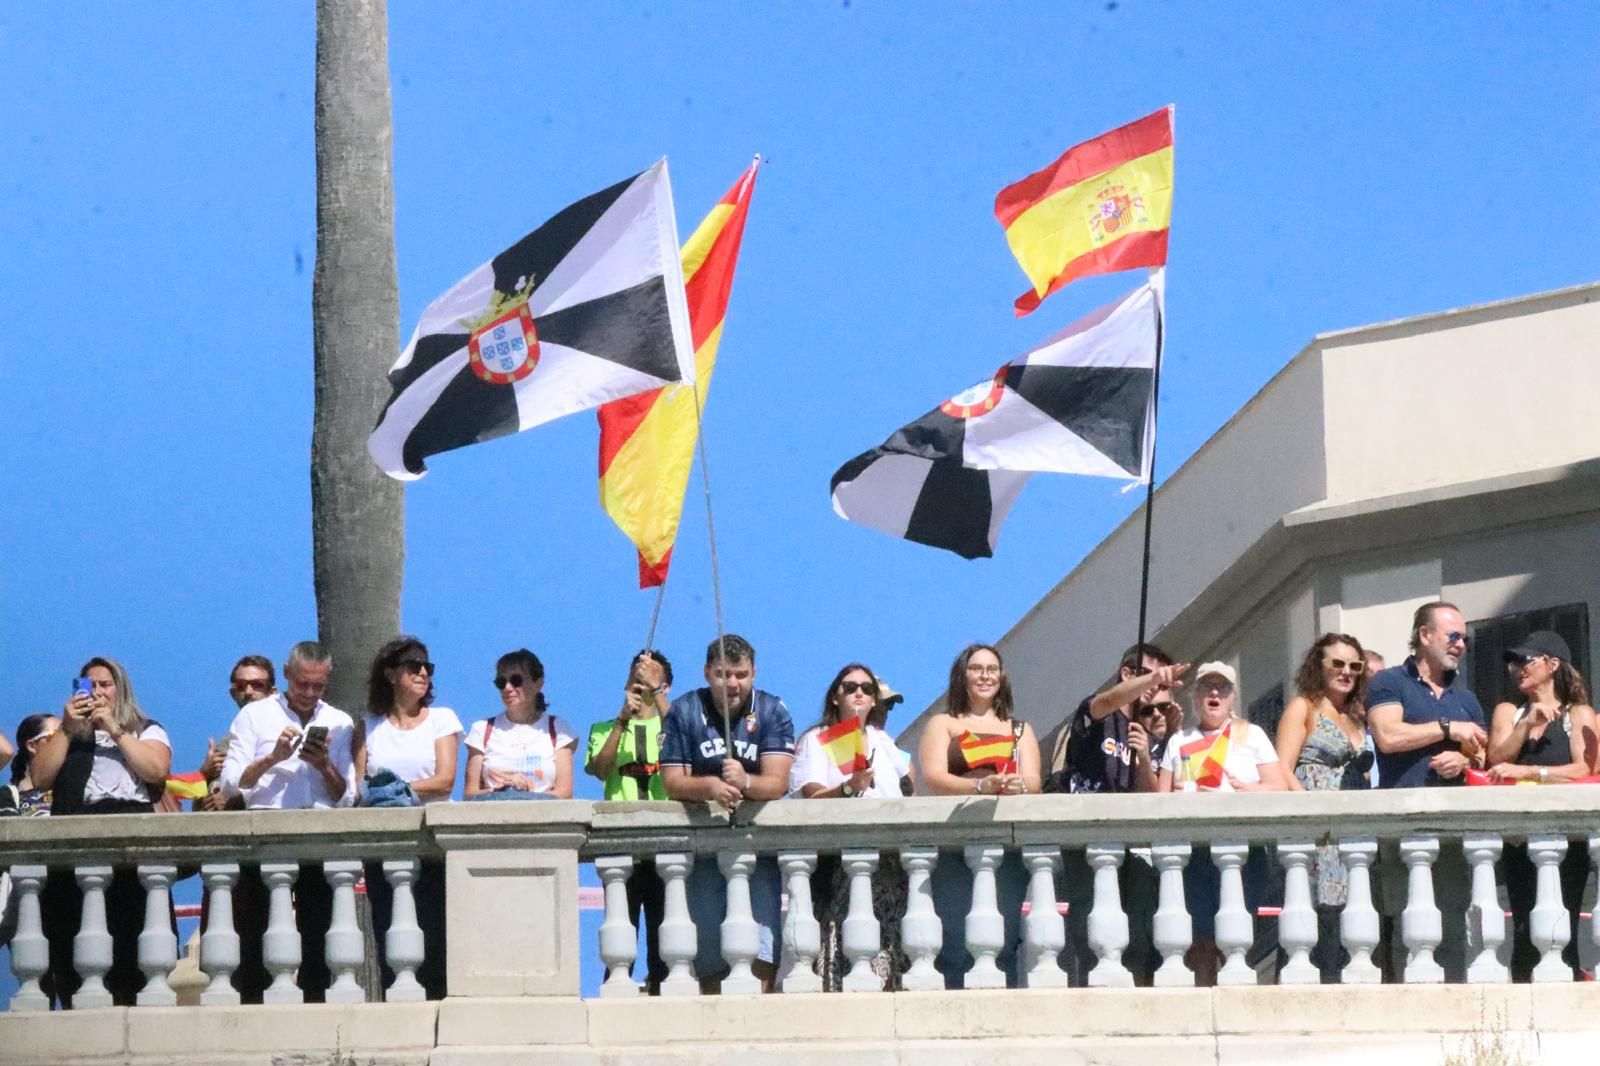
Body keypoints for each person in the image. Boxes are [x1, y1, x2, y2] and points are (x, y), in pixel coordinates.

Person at [219, 641, 357, 1002]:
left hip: (318, 834)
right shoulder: (254, 716)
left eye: (318, 685)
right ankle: (255, 1007)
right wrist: (273, 758)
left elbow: (346, 795)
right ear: (286, 675)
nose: (309, 693)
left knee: (319, 933)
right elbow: (231, 783)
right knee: (257, 931)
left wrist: (323, 765)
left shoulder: (339, 721)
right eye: (302, 684)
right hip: (266, 833)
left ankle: (317, 1006)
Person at [31, 657, 173, 1007]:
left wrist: (114, 728)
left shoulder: (146, 729)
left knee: (133, 941)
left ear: (120, 689)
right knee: (75, 945)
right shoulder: (67, 737)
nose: (96, 692)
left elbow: (156, 769)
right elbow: (40, 778)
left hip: (133, 848)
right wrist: (67, 729)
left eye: (105, 685)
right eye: (88, 685)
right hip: (79, 845)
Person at [659, 634, 794, 992]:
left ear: (754, 673)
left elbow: (778, 783)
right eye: (723, 674)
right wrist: (710, 787)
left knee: (761, 943)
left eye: (741, 674)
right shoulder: (684, 710)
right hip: (703, 848)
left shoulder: (772, 710)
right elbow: (672, 782)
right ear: (707, 673)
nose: (733, 684)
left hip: (756, 846)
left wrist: (746, 781)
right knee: (710, 951)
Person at [1365, 602, 1488, 982]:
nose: (1460, 645)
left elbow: (1483, 754)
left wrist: (1464, 760)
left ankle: (1454, 1004)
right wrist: (1447, 728)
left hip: (1454, 826)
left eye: (1464, 639)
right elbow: (1387, 736)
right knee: (1408, 928)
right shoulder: (1388, 682)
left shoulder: (1466, 698)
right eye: (1453, 636)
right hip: (1403, 824)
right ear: (1424, 635)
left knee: (1454, 926)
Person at [916, 644, 1040, 988]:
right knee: (955, 939)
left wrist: (1017, 785)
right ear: (962, 675)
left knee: (1003, 938)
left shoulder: (1020, 729)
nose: (985, 675)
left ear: (1002, 677)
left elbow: (1033, 781)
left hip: (1006, 845)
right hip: (955, 841)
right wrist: (981, 786)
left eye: (992, 669)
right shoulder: (942, 723)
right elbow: (934, 777)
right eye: (976, 668)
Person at [1157, 662, 1285, 984]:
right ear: (1194, 696)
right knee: (1200, 941)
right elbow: (1160, 799)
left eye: (1222, 688)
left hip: (1243, 850)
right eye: (1207, 687)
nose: (1214, 693)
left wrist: (1244, 790)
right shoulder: (1178, 741)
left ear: (1232, 698)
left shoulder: (1251, 734)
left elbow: (1277, 786)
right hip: (1194, 852)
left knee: (1236, 938)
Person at [1485, 631, 1598, 981]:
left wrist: (1531, 771)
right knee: (1522, 925)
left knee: (1565, 921)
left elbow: (1584, 769)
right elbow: (1495, 759)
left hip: (1568, 838)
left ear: (1552, 665)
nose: (1516, 667)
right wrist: (1525, 726)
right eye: (1513, 662)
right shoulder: (1509, 711)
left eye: (1525, 660)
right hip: (1519, 836)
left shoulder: (1578, 713)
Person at [792, 663, 912, 991]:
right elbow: (812, 795)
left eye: (867, 688)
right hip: (838, 864)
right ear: (835, 696)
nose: (859, 693)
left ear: (874, 700)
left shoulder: (882, 740)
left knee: (890, 952)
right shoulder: (817, 738)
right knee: (843, 952)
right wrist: (848, 788)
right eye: (850, 687)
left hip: (889, 863)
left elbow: (907, 785)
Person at [355, 636, 461, 999]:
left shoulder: (442, 720)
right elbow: (359, 787)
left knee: (435, 932)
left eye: (427, 667)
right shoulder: (369, 725)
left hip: (432, 843)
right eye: (413, 666)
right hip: (383, 844)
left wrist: (395, 790)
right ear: (390, 674)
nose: (423, 673)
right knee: (388, 930)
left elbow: (445, 780)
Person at [1274, 633, 1374, 980]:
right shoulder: (1304, 706)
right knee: (1317, 915)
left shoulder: (1358, 717)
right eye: (1338, 663)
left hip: (1353, 828)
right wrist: (1310, 815)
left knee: (1353, 915)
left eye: (1354, 666)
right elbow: (1283, 768)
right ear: (1319, 665)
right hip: (1317, 830)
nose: (1346, 672)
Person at [585, 649, 674, 992]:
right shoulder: (604, 728)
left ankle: (662, 993)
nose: (641, 680)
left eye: (650, 674)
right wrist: (622, 720)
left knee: (665, 938)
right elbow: (600, 768)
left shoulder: (672, 725)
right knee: (621, 931)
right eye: (636, 674)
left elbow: (688, 737)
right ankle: (614, 991)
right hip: (622, 848)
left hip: (666, 845)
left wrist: (657, 694)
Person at [1049, 644, 1190, 795]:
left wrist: (1144, 758)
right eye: (1146, 674)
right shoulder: (1101, 712)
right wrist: (1152, 679)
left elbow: (1152, 796)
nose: (1153, 686)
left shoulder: (1148, 738)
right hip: (1079, 805)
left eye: (1159, 683)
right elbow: (1110, 700)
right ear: (1126, 674)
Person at [464, 648, 577, 798]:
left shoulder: (558, 729)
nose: (507, 688)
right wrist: (502, 792)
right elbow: (470, 794)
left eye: (516, 681)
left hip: (542, 812)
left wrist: (528, 796)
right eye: (501, 682)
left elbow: (564, 793)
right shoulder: (482, 729)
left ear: (538, 683)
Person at [195, 655, 278, 812]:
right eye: (241, 686)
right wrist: (204, 774)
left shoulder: (281, 737)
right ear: (233, 693)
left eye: (257, 685)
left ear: (272, 692)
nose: (248, 691)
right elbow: (197, 813)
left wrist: (234, 800)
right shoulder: (227, 743)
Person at [7, 714, 59, 816]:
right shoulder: (8, 798)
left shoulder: (73, 793)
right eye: (56, 736)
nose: (64, 743)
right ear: (32, 746)